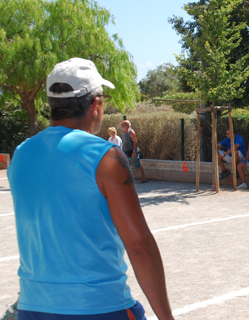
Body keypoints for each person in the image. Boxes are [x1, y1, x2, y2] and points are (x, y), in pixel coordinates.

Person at [7, 58, 174, 320]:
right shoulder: (107, 157)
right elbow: (139, 246)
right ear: (95, 104)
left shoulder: (19, 155)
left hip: (33, 308)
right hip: (99, 307)